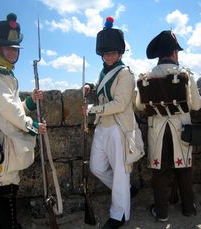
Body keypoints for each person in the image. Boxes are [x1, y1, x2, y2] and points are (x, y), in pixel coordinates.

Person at [0, 13, 46, 229]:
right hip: (2, 135)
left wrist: (30, 102)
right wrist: (33, 126)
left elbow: (13, 105)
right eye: (7, 47)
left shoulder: (2, 71)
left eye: (15, 48)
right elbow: (9, 109)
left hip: (1, 132)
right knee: (6, 183)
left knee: (1, 183)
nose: (12, 52)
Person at [84, 16, 144, 229]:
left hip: (119, 127)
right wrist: (90, 86)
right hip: (103, 127)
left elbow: (119, 104)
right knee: (96, 167)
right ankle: (126, 190)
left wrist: (94, 109)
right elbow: (101, 86)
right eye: (105, 53)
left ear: (119, 53)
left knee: (120, 174)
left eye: (112, 53)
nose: (109, 56)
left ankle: (118, 215)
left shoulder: (125, 74)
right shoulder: (104, 72)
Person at [136, 30, 201, 222]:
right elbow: (197, 105)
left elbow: (139, 106)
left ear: (159, 54)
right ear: (174, 53)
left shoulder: (146, 77)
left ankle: (162, 213)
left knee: (160, 172)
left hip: (157, 131)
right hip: (182, 129)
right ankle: (188, 209)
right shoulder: (185, 74)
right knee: (184, 169)